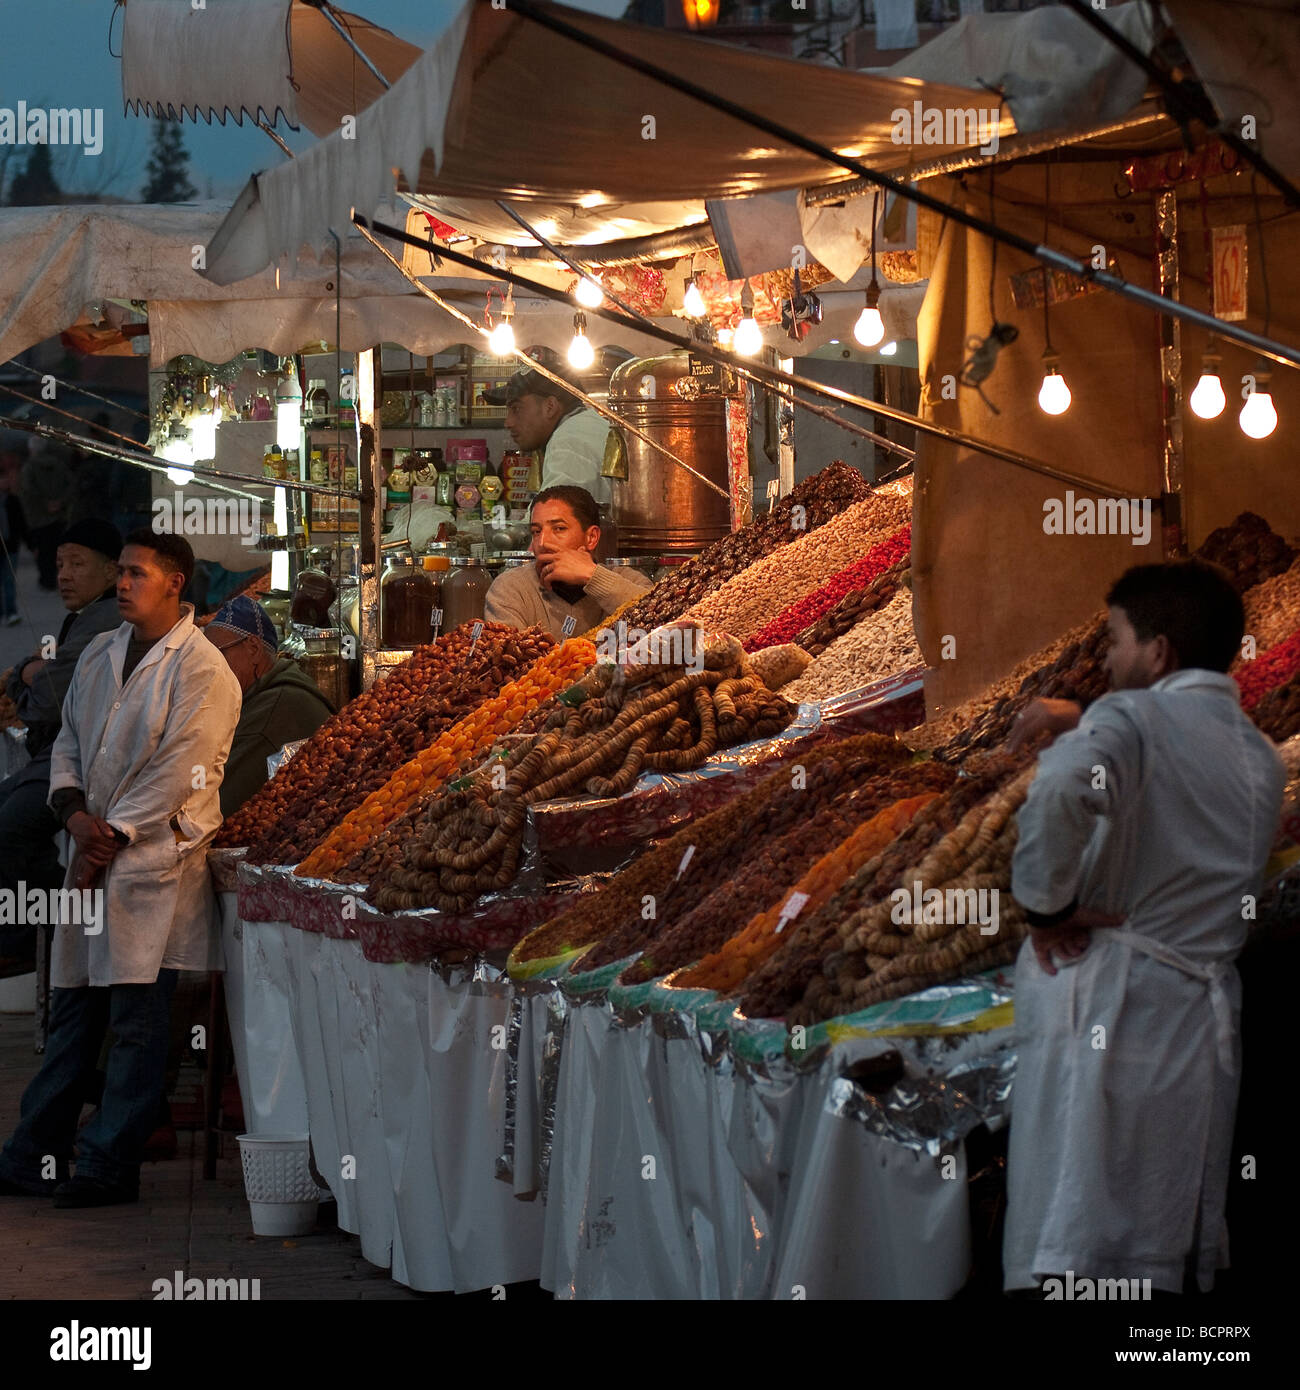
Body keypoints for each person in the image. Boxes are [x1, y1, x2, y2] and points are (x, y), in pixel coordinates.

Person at [1003, 560, 1286, 1296]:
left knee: (1079, 1233)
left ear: (1158, 653)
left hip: (1110, 1007)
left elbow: (1061, 785)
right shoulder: (1258, 755)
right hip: (1191, 1022)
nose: (1104, 657)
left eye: (1116, 639)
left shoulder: (1128, 719)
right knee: (1156, 1234)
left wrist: (1046, 907)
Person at [0, 530, 241, 1207]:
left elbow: (184, 770)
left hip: (152, 864)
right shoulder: (103, 653)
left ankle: (110, 1163)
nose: (125, 583)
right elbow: (68, 742)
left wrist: (112, 835)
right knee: (75, 1010)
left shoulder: (202, 671)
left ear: (175, 583)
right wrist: (75, 815)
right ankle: (33, 1151)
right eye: (125, 573)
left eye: (138, 573)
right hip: (91, 850)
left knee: (137, 1020)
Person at [0, 520, 123, 975]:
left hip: (83, 756)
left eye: (77, 564)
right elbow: (45, 685)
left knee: (11, 826)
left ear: (112, 571)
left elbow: (47, 701)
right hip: (63, 750)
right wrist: (32, 673)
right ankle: (33, 928)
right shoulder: (86, 617)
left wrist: (26, 673)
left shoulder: (106, 619)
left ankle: (49, 924)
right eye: (59, 565)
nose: (64, 575)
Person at [204, 595, 335, 815]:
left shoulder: (273, 711)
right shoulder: (266, 691)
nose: (206, 668)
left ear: (253, 649)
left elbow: (212, 805)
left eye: (214, 655)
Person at [483, 485, 651, 639]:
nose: (542, 543)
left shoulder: (630, 580)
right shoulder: (511, 588)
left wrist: (594, 576)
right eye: (536, 531)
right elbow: (512, 664)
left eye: (559, 528)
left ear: (591, 537)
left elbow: (666, 630)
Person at [484, 351, 616, 510]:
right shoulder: (583, 426)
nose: (508, 422)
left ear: (550, 407)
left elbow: (554, 518)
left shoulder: (569, 441)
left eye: (516, 408)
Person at [18, 437, 72, 590]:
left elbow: (27, 490)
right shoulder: (59, 465)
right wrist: (60, 502)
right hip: (59, 516)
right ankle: (58, 578)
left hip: (38, 517)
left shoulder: (29, 467)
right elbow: (71, 484)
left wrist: (44, 503)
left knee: (43, 551)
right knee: (57, 550)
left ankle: (47, 580)